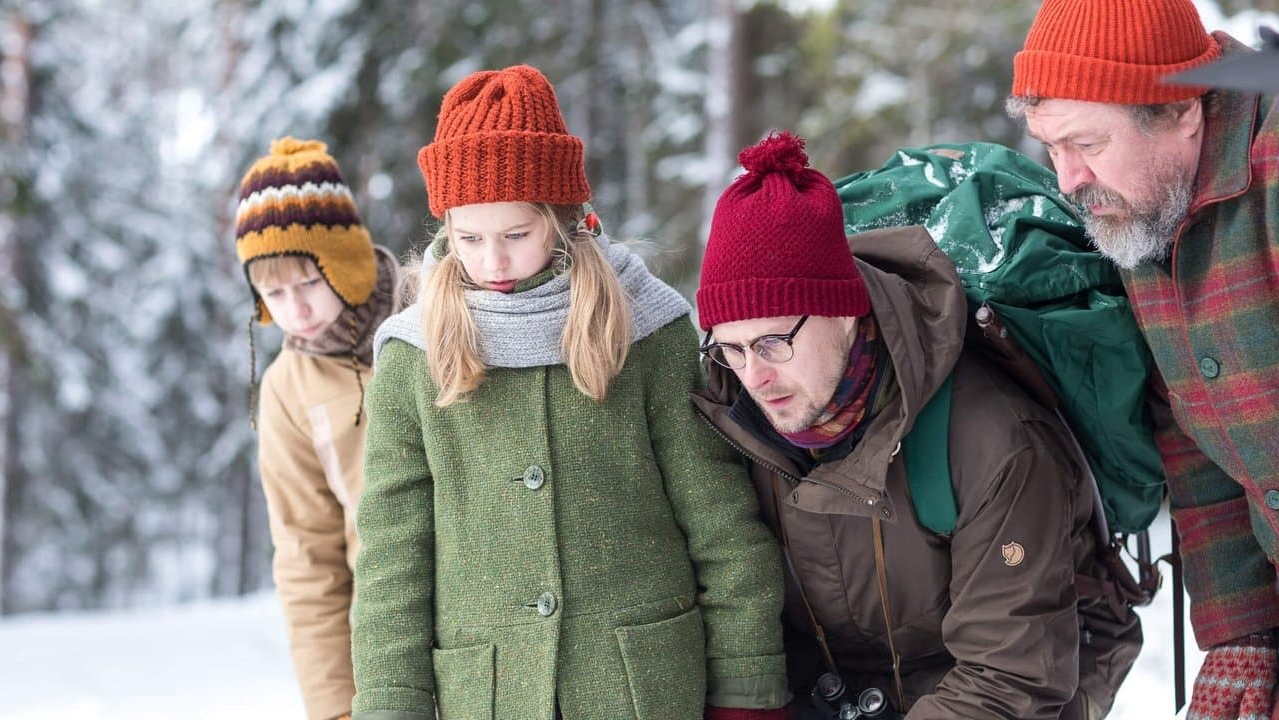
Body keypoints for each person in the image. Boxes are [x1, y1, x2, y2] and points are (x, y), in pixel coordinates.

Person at [350, 64, 790, 720]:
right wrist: (391, 705)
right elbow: (393, 559)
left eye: (515, 235)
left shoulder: (647, 330)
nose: (492, 261)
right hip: (488, 695)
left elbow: (722, 525)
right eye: (469, 239)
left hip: (642, 689)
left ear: (562, 219)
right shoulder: (412, 356)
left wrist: (747, 688)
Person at [692, 132, 1105, 719]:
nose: (753, 376)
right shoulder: (728, 423)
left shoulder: (994, 443)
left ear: (844, 312)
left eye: (773, 341)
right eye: (730, 348)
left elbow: (1009, 678)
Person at [1006, 1, 1279, 716]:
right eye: (1052, 146)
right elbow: (1194, 440)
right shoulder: (1143, 210)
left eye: (1086, 143)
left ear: (1182, 112)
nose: (1069, 179)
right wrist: (1243, 628)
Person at [235, 137, 400, 720]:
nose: (295, 310)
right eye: (273, 293)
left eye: (308, 282)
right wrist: (335, 705)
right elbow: (307, 558)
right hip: (386, 641)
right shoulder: (287, 388)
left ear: (346, 260)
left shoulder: (428, 318)